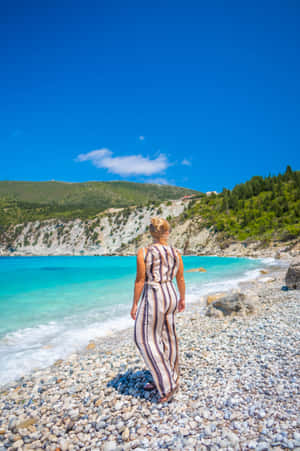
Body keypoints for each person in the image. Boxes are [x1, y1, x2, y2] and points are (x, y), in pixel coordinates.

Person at [131, 217, 185, 403]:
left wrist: (135, 304)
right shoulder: (176, 253)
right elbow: (180, 279)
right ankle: (171, 376)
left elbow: (140, 281)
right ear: (167, 232)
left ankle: (166, 384)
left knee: (143, 338)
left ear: (151, 233)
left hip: (154, 294)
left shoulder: (144, 252)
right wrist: (182, 298)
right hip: (170, 292)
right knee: (168, 336)